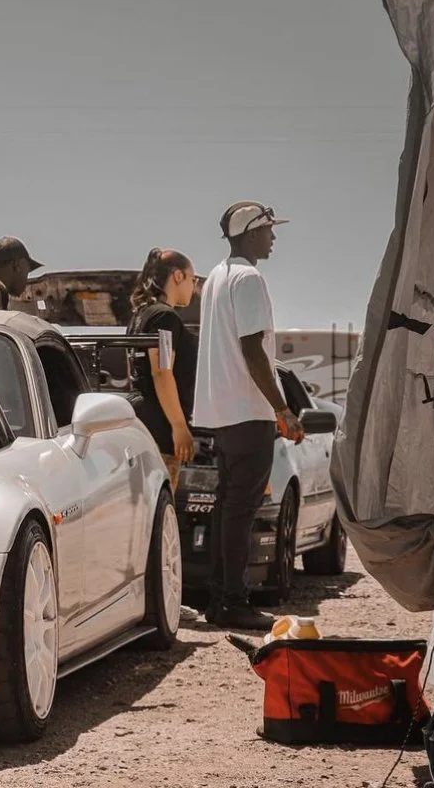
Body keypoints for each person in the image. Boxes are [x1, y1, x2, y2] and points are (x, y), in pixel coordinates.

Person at [193, 201, 305, 631]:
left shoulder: (216, 278)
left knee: (227, 508)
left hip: (223, 413)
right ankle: (233, 602)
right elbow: (253, 349)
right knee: (240, 510)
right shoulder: (249, 278)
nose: (273, 237)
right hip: (248, 411)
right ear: (251, 233)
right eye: (269, 230)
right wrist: (281, 408)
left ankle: (219, 600)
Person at [126, 248, 199, 488]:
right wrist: (179, 427)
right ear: (178, 276)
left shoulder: (139, 316)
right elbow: (161, 371)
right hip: (161, 431)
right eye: (193, 279)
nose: (194, 287)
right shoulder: (165, 318)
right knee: (161, 501)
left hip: (140, 424)